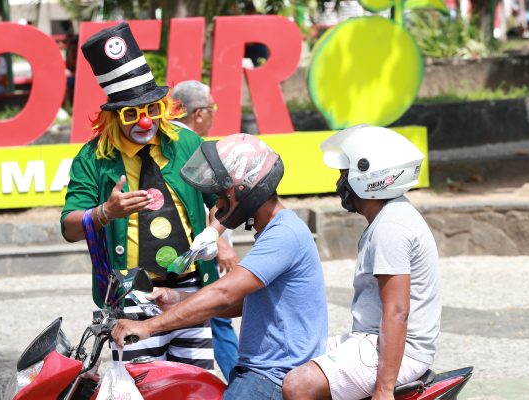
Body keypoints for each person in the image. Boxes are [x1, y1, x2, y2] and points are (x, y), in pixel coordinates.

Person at [61, 22, 227, 370]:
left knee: (195, 383)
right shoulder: (93, 158)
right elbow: (69, 227)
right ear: (113, 117)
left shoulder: (186, 144)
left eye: (152, 109)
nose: (144, 121)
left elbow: (225, 202)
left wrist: (215, 235)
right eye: (131, 113)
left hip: (191, 288)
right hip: (132, 294)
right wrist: (105, 212)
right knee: (141, 384)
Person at [112, 133, 329, 400]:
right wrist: (177, 298)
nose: (217, 204)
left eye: (221, 194)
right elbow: (243, 304)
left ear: (244, 189)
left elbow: (223, 293)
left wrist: (150, 326)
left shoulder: (283, 234)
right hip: (260, 371)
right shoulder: (274, 231)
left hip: (271, 377)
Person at [282, 125, 442, 400]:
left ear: (369, 176)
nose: (340, 183)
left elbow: (397, 311)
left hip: (399, 350)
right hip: (372, 340)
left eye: (345, 174)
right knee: (290, 358)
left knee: (299, 385)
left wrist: (384, 389)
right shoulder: (389, 217)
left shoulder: (391, 227)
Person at [171, 79, 239, 381]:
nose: (213, 115)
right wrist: (222, 244)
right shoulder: (192, 146)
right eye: (212, 109)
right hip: (203, 254)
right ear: (198, 113)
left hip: (186, 254)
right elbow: (208, 202)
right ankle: (239, 382)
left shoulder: (169, 143)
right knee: (217, 314)